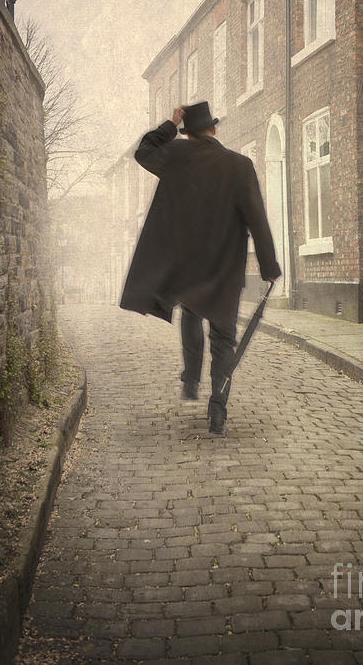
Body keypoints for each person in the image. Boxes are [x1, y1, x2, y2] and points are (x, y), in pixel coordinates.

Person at [120, 101, 281, 436]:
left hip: (189, 269)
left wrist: (170, 122)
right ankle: (218, 408)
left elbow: (144, 150)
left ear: (188, 133)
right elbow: (257, 219)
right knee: (224, 339)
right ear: (214, 129)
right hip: (224, 270)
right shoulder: (239, 165)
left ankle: (191, 378)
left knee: (191, 314)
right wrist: (269, 266)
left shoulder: (177, 156)